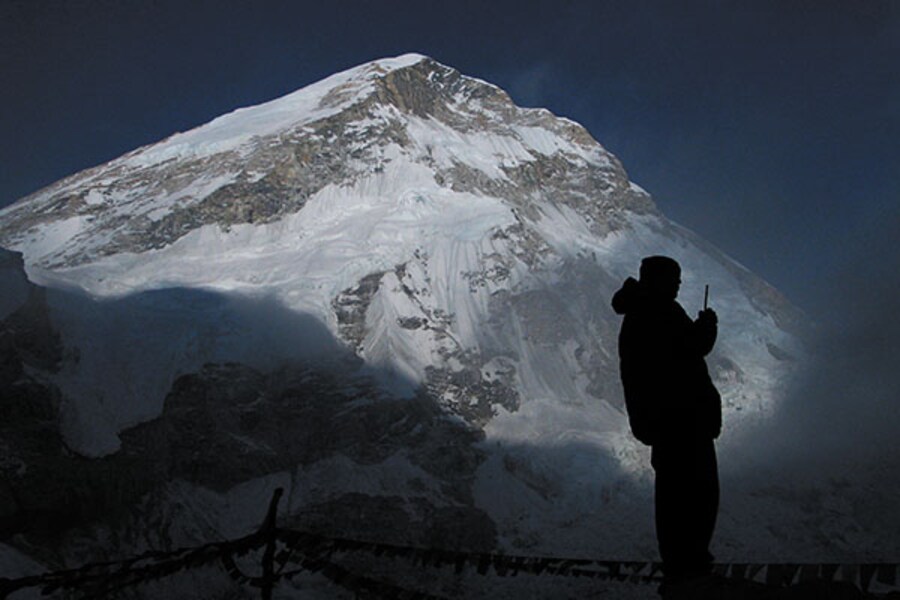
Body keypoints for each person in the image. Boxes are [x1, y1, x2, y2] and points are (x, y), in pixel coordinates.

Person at [611, 255, 722, 593]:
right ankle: (688, 567)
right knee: (694, 495)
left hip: (667, 422)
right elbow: (688, 350)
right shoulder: (656, 312)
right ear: (658, 280)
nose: (678, 286)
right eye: (674, 280)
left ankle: (683, 565)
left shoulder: (641, 312)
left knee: (680, 496)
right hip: (681, 421)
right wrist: (706, 328)